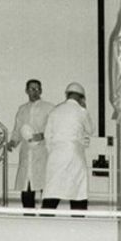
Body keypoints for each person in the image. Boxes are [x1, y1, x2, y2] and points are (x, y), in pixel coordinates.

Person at [42, 82, 94, 211]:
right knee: (78, 190)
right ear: (82, 97)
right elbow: (91, 129)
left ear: (67, 95)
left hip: (56, 155)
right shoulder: (81, 111)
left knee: (52, 189)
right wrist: (85, 108)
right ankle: (79, 221)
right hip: (74, 154)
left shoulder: (55, 111)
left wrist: (53, 151)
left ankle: (45, 221)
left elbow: (47, 135)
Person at [8, 77, 52, 208]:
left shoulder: (49, 108)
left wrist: (43, 135)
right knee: (27, 187)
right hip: (27, 152)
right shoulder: (22, 110)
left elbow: (54, 128)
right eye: (32, 89)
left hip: (43, 151)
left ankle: (47, 218)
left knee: (46, 186)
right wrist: (12, 142)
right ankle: (28, 216)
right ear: (27, 91)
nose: (35, 92)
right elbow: (17, 130)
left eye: (38, 89)